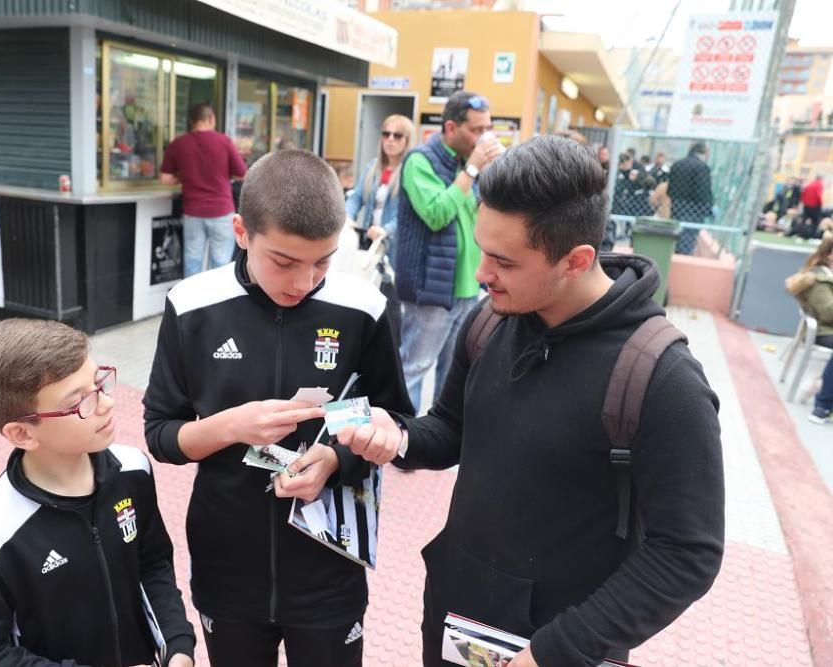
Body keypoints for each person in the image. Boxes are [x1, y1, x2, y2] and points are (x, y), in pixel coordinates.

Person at [337, 136, 725, 666]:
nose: (480, 274)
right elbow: (451, 428)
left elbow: (687, 553)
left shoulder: (661, 377)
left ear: (576, 259)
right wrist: (397, 435)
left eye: (504, 261)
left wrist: (558, 650)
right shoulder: (490, 322)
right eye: (481, 248)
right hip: (458, 619)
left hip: (563, 645)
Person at [143, 148, 413, 667]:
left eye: (324, 261)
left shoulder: (364, 308)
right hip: (228, 565)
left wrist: (336, 458)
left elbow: (392, 419)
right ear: (241, 231)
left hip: (329, 564)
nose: (303, 282)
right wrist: (227, 427)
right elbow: (160, 434)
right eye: (284, 262)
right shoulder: (191, 305)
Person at [0, 319, 195, 667]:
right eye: (80, 402)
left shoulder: (133, 470)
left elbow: (152, 564)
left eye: (98, 383)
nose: (106, 403)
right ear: (22, 434)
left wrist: (177, 643)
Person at [395, 91, 502, 412]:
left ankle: (435, 437)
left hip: (469, 286)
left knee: (454, 372)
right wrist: (471, 170)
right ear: (451, 127)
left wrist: (491, 173)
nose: (483, 137)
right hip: (431, 289)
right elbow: (437, 213)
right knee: (415, 367)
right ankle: (401, 438)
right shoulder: (420, 161)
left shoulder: (470, 165)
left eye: (487, 129)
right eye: (476, 130)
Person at [160, 102, 247, 277]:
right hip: (221, 211)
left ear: (192, 121)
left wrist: (183, 176)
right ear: (211, 118)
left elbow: (165, 179)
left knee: (193, 260)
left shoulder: (179, 143)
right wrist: (224, 174)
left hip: (193, 212)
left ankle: (192, 303)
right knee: (221, 263)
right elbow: (242, 174)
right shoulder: (224, 141)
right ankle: (217, 303)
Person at [345, 114, 416, 266]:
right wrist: (347, 216)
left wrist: (386, 230)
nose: (390, 139)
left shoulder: (411, 171)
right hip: (370, 244)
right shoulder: (372, 167)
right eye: (386, 134)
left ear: (407, 141)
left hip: (395, 247)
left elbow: (409, 213)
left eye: (397, 136)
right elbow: (356, 197)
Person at [789, 237, 833, 424]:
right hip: (823, 331)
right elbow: (828, 313)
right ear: (829, 255)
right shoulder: (818, 278)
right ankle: (823, 405)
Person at [668, 142, 714, 254]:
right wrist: (708, 208)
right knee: (688, 238)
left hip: (677, 206)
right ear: (703, 152)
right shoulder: (702, 167)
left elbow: (670, 189)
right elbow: (703, 191)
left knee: (676, 236)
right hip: (694, 209)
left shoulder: (677, 164)